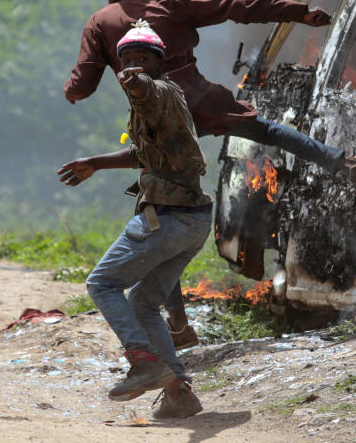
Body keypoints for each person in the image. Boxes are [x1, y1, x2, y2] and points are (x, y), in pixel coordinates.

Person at [64, 0, 356, 348]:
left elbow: (81, 87)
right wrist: (299, 13)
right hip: (201, 102)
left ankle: (178, 325)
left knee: (156, 212)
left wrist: (72, 89)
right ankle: (345, 164)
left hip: (157, 122)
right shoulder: (170, 3)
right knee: (270, 131)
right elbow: (237, 7)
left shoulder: (99, 22)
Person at [58, 21, 209, 418]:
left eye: (144, 58)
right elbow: (148, 155)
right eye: (127, 59)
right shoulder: (170, 99)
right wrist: (95, 162)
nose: (134, 65)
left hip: (168, 219)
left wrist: (135, 81)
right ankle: (179, 393)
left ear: (159, 64)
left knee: (102, 283)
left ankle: (143, 362)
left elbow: (146, 91)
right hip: (192, 222)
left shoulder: (155, 92)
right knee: (143, 303)